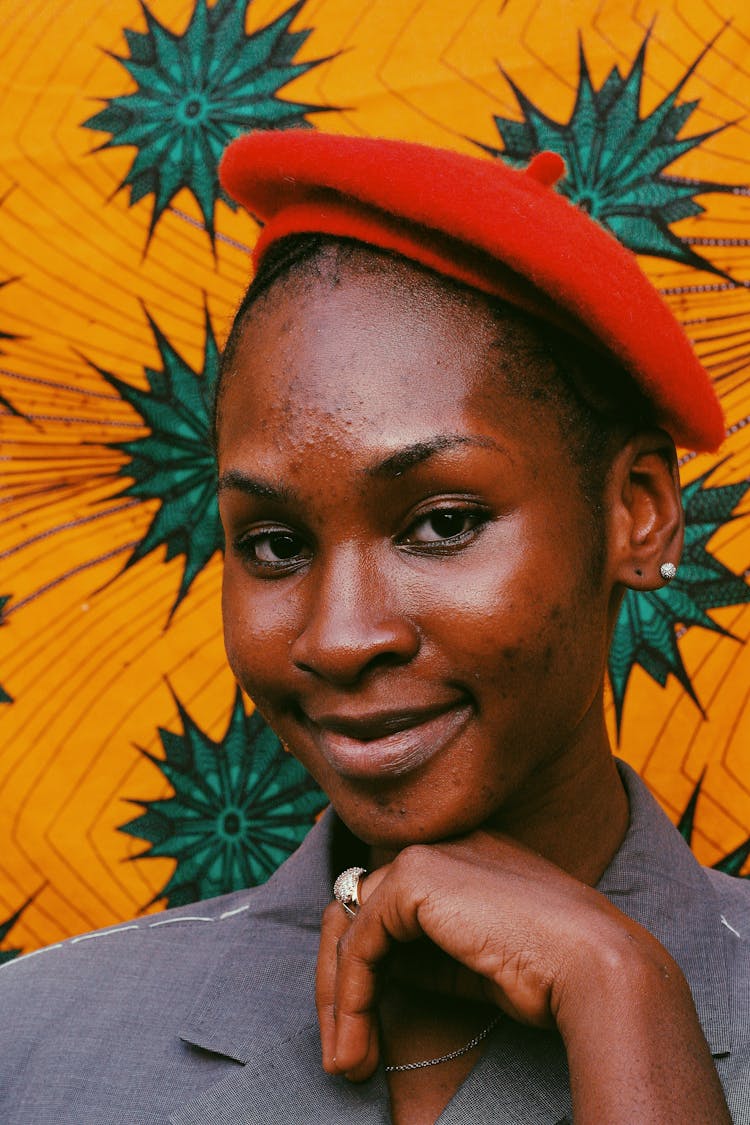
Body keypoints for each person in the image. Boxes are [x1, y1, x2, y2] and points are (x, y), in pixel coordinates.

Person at [0, 131, 748, 1125]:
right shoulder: (35, 1045)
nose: (339, 637)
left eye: (441, 524)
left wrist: (623, 999)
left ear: (638, 512)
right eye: (273, 545)